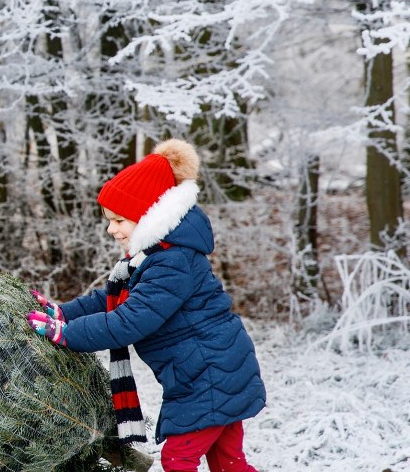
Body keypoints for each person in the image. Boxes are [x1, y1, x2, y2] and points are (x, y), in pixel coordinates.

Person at [26, 139, 266, 472]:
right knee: (229, 463)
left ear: (149, 216)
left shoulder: (172, 262)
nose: (111, 229)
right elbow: (109, 300)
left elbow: (129, 320)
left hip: (208, 376)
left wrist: (67, 334)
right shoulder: (155, 256)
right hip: (212, 370)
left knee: (178, 460)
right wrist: (62, 313)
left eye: (119, 220)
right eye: (109, 220)